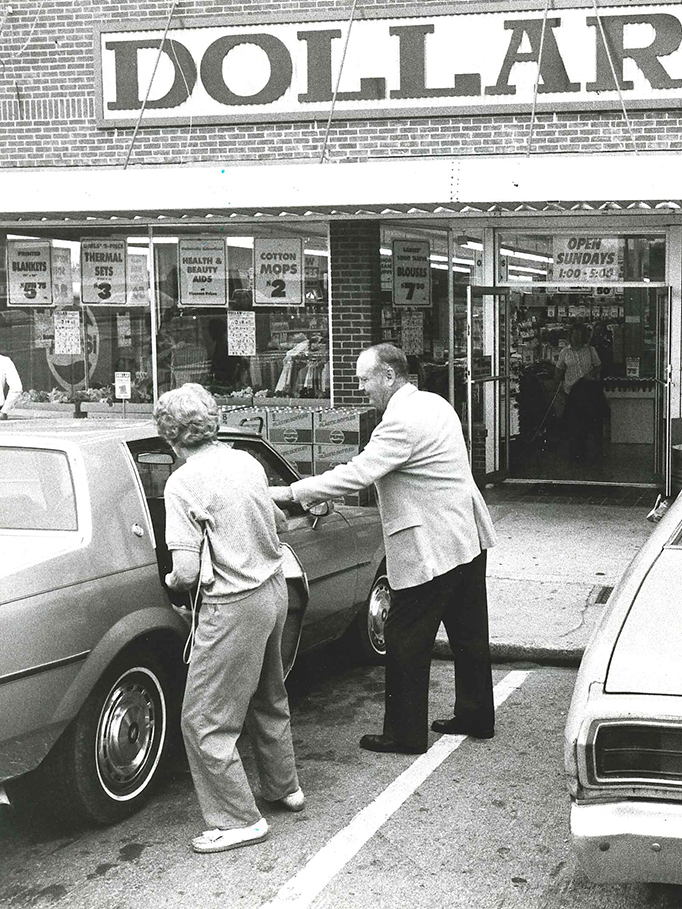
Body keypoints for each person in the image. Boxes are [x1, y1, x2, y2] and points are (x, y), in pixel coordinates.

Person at [270, 343, 497, 755]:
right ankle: (476, 714)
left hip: (430, 545)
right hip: (466, 536)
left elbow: (359, 472)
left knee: (404, 636)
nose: (361, 389)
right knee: (468, 633)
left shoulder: (399, 423)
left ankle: (405, 735)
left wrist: (291, 492)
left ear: (389, 376)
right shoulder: (434, 404)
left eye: (364, 379)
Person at [156, 383, 303, 854]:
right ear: (212, 421)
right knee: (268, 697)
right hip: (273, 590)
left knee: (203, 721)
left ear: (170, 433)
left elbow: (186, 571)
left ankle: (239, 820)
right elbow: (278, 525)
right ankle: (284, 788)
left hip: (232, 604)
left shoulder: (181, 482)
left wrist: (174, 588)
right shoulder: (245, 460)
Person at [555, 324, 606, 462]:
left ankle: (593, 454)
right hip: (571, 391)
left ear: (583, 336)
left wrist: (591, 374)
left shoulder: (590, 350)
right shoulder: (564, 352)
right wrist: (557, 385)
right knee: (574, 424)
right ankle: (576, 453)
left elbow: (599, 366)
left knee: (590, 423)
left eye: (579, 335)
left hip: (588, 392)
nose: (576, 337)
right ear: (570, 336)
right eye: (574, 335)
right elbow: (559, 370)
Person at [0, 350, 22, 419]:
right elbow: (17, 389)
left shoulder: (4, 361)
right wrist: (4, 411)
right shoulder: (4, 361)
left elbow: (17, 389)